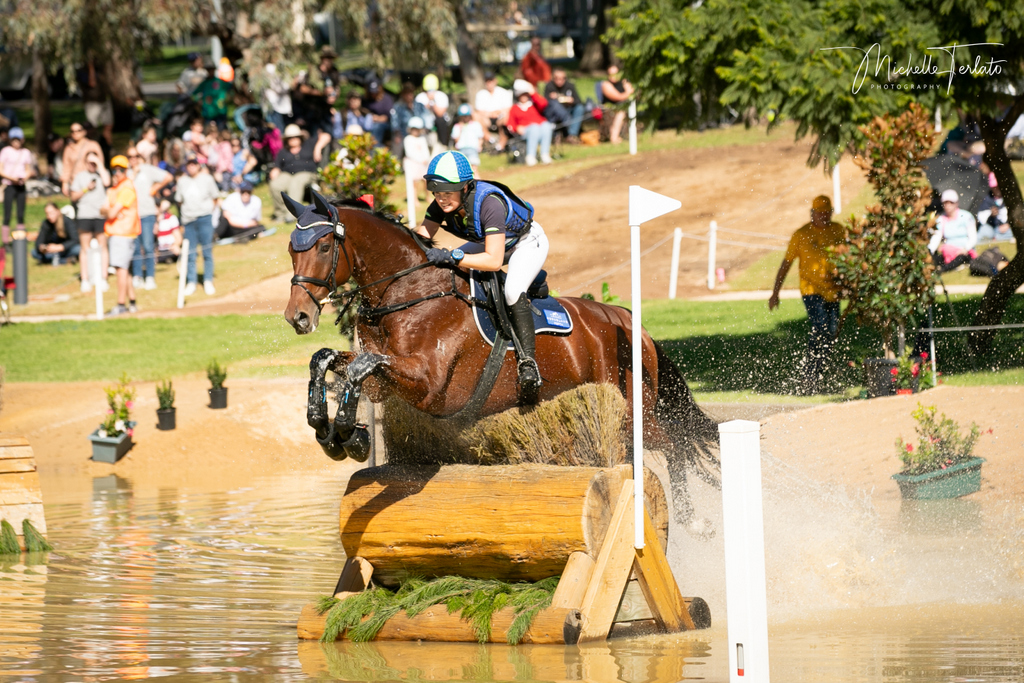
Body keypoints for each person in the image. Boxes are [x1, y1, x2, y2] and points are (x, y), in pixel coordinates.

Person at [414, 150, 548, 399]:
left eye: (447, 192)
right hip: (490, 243)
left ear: (466, 188)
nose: (441, 199)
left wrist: (453, 255)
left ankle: (528, 363)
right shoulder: (442, 204)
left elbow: (494, 261)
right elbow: (421, 238)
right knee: (448, 269)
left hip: (525, 244)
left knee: (511, 291)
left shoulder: (489, 203)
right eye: (437, 192)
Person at [768, 195, 846, 394]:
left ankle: (819, 371)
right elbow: (786, 264)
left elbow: (847, 257)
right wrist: (775, 293)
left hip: (833, 289)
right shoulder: (801, 235)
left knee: (832, 331)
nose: (824, 217)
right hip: (811, 290)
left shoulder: (838, 230)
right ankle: (809, 375)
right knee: (820, 327)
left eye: (827, 213)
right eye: (820, 213)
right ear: (812, 213)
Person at [126, 145, 173, 290]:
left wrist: (155, 188)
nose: (133, 159)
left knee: (148, 246)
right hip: (132, 215)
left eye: (136, 156)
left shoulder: (147, 169)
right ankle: (137, 275)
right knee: (135, 247)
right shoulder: (126, 173)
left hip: (147, 213)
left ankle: (150, 277)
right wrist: (133, 174)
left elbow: (168, 177)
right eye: (130, 157)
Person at [101, 156, 142, 315]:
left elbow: (110, 211)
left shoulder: (126, 189)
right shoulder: (113, 189)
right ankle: (132, 302)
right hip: (117, 234)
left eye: (121, 170)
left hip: (123, 234)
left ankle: (120, 304)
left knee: (120, 270)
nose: (117, 173)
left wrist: (109, 212)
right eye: (115, 169)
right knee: (125, 270)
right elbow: (103, 210)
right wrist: (109, 212)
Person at [175, 154, 221, 295]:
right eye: (189, 164)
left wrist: (207, 212)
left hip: (204, 219)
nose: (191, 166)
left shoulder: (207, 179)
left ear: (198, 165)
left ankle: (208, 280)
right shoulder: (182, 181)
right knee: (190, 253)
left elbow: (215, 198)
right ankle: (191, 282)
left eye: (194, 164)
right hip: (189, 221)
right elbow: (179, 200)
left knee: (207, 251)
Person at [268, 124, 331, 222]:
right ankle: (280, 214)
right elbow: (277, 166)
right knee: (275, 185)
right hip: (288, 174)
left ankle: (292, 214)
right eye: (290, 137)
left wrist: (318, 148)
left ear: (300, 137)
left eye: (295, 137)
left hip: (307, 173)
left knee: (296, 181)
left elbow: (326, 136)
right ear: (286, 139)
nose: (293, 139)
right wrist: (275, 171)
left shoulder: (309, 144)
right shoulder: (283, 151)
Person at [70, 152, 111, 292]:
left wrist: (99, 164)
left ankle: (103, 278)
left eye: (94, 162)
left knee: (103, 246)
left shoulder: (102, 173)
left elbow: (107, 182)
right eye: (90, 162)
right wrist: (86, 188)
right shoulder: (80, 176)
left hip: (100, 215)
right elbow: (73, 196)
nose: (92, 165)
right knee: (85, 247)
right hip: (85, 215)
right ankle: (85, 279)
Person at [928, 189, 978, 272]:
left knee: (961, 258)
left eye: (951, 203)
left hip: (964, 251)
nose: (948, 205)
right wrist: (930, 251)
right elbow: (936, 237)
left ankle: (942, 270)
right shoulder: (941, 219)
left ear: (956, 203)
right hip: (948, 253)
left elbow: (973, 238)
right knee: (935, 258)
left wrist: (965, 249)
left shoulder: (966, 216)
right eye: (945, 203)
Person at [506, 80, 553, 166]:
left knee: (546, 125)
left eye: (525, 94)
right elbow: (510, 125)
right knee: (534, 128)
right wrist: (517, 128)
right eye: (521, 94)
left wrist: (533, 93)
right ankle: (531, 156)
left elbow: (544, 104)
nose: (523, 96)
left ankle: (545, 154)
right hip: (526, 131)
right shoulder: (515, 108)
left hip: (541, 129)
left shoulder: (534, 105)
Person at [1, 127, 35, 242]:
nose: (16, 142)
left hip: (20, 185)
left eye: (18, 140)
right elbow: (1, 169)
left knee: (20, 214)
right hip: (9, 185)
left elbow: (28, 169)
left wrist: (24, 178)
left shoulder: (25, 152)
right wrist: (12, 178)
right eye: (14, 140)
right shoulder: (6, 151)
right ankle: (5, 242)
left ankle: (20, 240)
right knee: (7, 214)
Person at [61, 122, 104, 197]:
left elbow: (100, 164)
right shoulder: (69, 148)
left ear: (84, 131)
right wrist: (64, 183)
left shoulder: (93, 145)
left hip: (91, 182)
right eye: (72, 131)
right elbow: (66, 167)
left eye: (78, 130)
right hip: (75, 183)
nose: (75, 133)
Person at [78, 59, 113, 146]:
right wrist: (91, 67)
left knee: (108, 126)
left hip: (104, 101)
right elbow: (92, 83)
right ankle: (94, 147)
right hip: (92, 103)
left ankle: (108, 147)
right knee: (92, 128)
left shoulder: (101, 70)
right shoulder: (82, 72)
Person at [474, 72, 512, 151]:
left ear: (495, 81)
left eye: (490, 80)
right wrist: (491, 113)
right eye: (487, 81)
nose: (489, 83)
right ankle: (490, 139)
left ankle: (501, 144)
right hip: (486, 119)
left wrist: (497, 113)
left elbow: (508, 108)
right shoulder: (481, 94)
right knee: (475, 116)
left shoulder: (503, 92)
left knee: (506, 118)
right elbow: (479, 111)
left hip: (500, 118)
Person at [544, 69, 584, 142]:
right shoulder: (549, 86)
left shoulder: (570, 85)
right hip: (555, 113)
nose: (560, 81)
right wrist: (550, 97)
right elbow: (544, 103)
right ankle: (557, 135)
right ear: (553, 78)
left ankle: (572, 135)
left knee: (579, 108)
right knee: (555, 105)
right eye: (557, 79)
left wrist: (572, 100)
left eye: (562, 78)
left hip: (568, 109)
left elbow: (579, 101)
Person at [192, 61, 234, 130]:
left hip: (220, 111)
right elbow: (193, 95)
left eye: (212, 69)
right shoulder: (204, 83)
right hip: (208, 112)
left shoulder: (221, 82)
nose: (210, 71)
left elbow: (231, 90)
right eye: (208, 70)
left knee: (222, 130)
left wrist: (228, 97)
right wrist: (199, 100)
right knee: (209, 131)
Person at [390, 82, 429, 154]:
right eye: (406, 93)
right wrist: (397, 134)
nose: (409, 96)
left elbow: (426, 119)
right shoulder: (397, 107)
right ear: (402, 94)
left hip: (419, 133)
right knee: (397, 143)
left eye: (410, 93)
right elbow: (394, 123)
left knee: (426, 140)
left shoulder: (419, 105)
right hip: (403, 134)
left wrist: (423, 130)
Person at [600, 65, 635, 145]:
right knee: (621, 112)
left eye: (615, 74)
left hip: (625, 107)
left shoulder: (624, 81)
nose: (613, 76)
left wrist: (628, 91)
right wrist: (628, 92)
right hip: (609, 109)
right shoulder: (606, 84)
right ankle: (614, 137)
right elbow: (618, 97)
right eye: (611, 74)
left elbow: (633, 93)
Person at [403, 117, 431, 212]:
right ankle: (414, 199)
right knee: (414, 183)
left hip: (423, 164)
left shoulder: (422, 139)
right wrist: (419, 160)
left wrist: (426, 159)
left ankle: (427, 196)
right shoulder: (408, 139)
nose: (415, 131)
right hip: (413, 164)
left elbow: (425, 150)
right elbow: (409, 152)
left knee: (426, 181)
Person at [416, 74, 450, 151]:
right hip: (424, 122)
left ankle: (443, 144)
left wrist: (432, 102)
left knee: (440, 120)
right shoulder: (420, 97)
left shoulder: (441, 96)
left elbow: (440, 113)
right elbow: (418, 113)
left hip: (438, 124)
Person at [451, 104, 484, 169]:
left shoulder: (475, 125)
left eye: (467, 116)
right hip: (461, 150)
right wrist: (460, 129)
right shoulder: (457, 126)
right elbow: (456, 140)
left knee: (474, 169)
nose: (465, 118)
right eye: (463, 116)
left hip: (472, 149)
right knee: (462, 169)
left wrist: (479, 146)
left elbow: (480, 137)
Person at [262, 63, 293, 133]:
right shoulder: (270, 73)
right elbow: (283, 88)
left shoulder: (279, 73)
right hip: (274, 108)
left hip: (281, 108)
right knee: (279, 131)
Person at [364, 81, 394, 147]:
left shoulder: (386, 99)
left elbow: (387, 117)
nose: (373, 94)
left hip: (385, 124)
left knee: (377, 127)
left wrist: (377, 118)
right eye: (371, 92)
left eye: (375, 92)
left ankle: (375, 148)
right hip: (369, 123)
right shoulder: (366, 99)